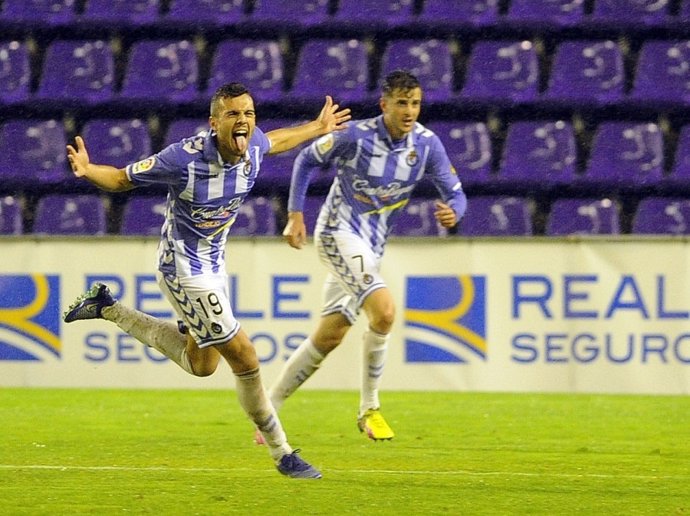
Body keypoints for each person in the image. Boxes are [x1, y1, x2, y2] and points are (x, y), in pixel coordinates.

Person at [62, 82, 351, 479]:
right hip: (183, 270)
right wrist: (88, 169)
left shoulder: (252, 148)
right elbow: (123, 179)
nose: (243, 121)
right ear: (214, 123)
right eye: (233, 114)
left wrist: (317, 127)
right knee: (245, 357)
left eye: (248, 114)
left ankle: (108, 308)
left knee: (201, 365)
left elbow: (277, 141)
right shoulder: (183, 158)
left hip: (214, 266)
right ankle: (283, 453)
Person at [257, 70, 467, 443]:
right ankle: (369, 408)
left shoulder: (427, 145)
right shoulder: (356, 136)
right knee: (384, 312)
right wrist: (294, 215)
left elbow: (456, 193)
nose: (409, 111)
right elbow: (306, 159)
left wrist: (455, 211)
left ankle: (267, 408)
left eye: (415, 103)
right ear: (384, 104)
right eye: (401, 103)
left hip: (371, 247)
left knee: (330, 335)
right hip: (337, 233)